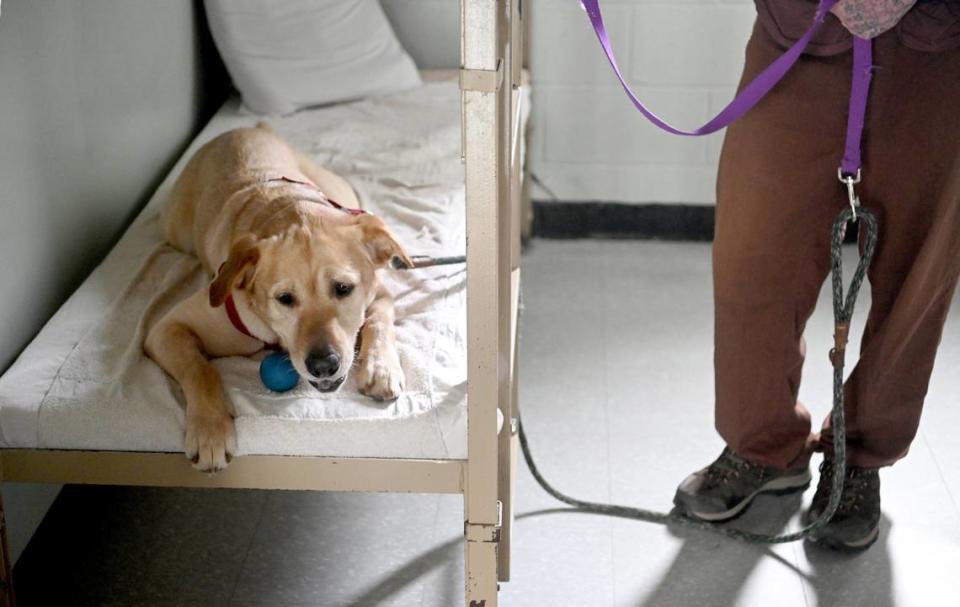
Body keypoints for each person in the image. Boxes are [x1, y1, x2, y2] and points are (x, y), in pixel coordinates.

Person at [673, 0, 960, 550]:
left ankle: (859, 459)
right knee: (752, 258)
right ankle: (761, 445)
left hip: (934, 52)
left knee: (917, 278)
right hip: (799, 32)